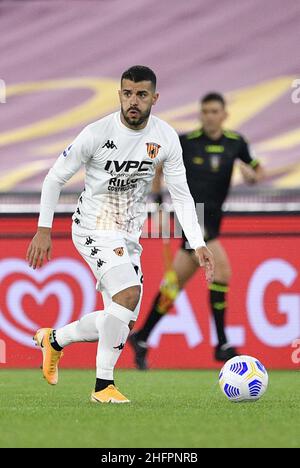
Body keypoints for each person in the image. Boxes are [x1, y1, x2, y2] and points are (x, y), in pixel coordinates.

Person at [26, 66, 214, 404]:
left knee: (120, 319)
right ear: (119, 95)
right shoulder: (96, 133)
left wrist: (198, 243)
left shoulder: (165, 137)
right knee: (128, 294)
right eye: (127, 93)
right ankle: (103, 387)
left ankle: (55, 339)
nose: (133, 101)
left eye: (141, 95)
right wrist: (43, 230)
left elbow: (181, 194)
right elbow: (54, 179)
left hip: (128, 233)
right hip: (93, 227)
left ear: (154, 98)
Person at [130, 92, 264, 369]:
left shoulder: (235, 143)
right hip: (192, 217)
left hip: (213, 221)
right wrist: (156, 198)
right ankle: (222, 343)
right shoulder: (186, 142)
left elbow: (257, 169)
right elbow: (158, 167)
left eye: (215, 111)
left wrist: (252, 176)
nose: (210, 116)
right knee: (222, 271)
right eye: (205, 111)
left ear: (224, 114)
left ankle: (141, 337)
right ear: (200, 114)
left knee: (174, 284)